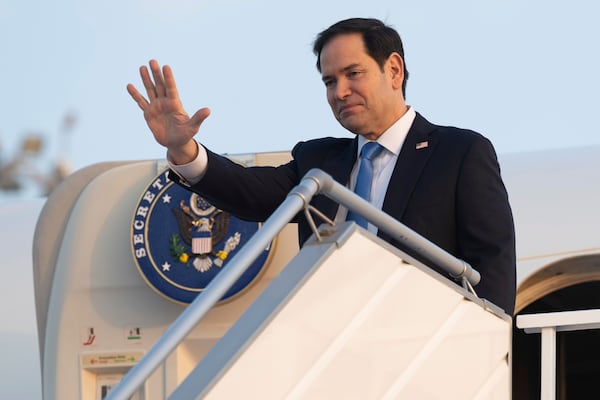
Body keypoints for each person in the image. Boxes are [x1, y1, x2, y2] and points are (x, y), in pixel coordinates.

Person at [127, 17, 516, 315]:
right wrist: (184, 149)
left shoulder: (459, 152)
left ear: (394, 70)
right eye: (330, 81)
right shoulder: (318, 161)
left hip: (425, 349)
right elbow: (249, 194)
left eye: (353, 74)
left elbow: (492, 266)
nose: (340, 92)